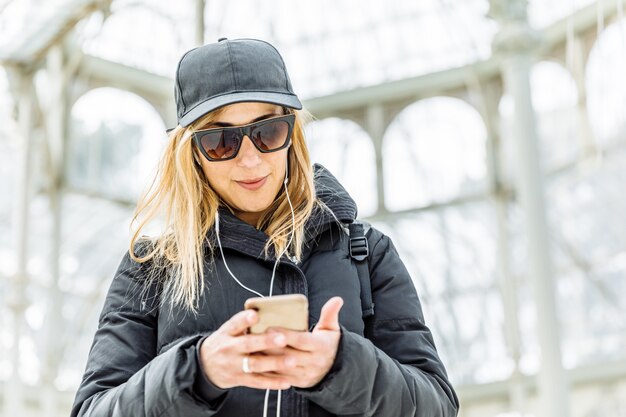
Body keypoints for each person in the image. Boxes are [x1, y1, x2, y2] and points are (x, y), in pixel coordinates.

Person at [71, 37, 459, 417]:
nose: (250, 161)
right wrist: (197, 371)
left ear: (293, 135)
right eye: (221, 141)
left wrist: (341, 366)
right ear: (192, 153)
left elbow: (437, 405)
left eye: (268, 132)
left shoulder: (366, 252)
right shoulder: (152, 268)